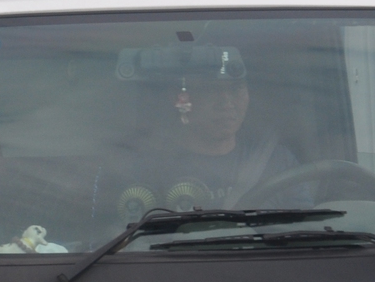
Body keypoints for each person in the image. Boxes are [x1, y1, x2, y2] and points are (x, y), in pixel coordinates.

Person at [96, 42, 299, 227]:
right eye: (212, 89)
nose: (226, 103)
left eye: (236, 88)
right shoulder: (139, 168)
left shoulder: (277, 161)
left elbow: (305, 226)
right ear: (180, 99)